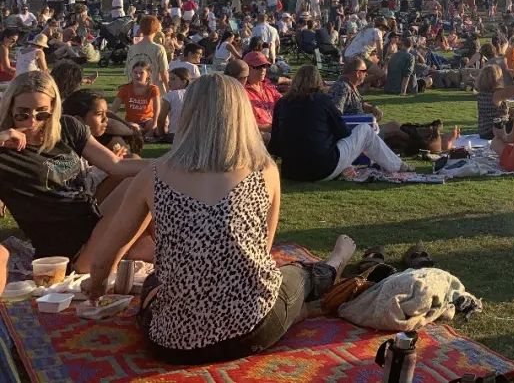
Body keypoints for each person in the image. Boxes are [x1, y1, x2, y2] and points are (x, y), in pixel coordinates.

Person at [86, 73, 356, 364]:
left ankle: (310, 294)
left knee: (155, 284)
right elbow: (261, 252)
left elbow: (106, 257)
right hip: (253, 329)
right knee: (296, 275)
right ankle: (331, 267)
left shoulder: (152, 176)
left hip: (171, 342)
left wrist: (97, 288)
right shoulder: (265, 171)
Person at [0, 71, 151, 265]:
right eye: (23, 113)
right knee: (149, 184)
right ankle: (96, 274)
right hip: (68, 249)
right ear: (10, 108)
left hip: (94, 221)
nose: (32, 121)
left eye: (42, 113)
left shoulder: (67, 128)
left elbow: (116, 165)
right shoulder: (5, 153)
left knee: (148, 178)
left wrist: (174, 164)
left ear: (53, 108)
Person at [270, 65, 407, 181]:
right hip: (323, 169)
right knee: (364, 130)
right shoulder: (322, 100)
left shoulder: (282, 103)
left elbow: (275, 143)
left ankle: (386, 164)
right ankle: (398, 166)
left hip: (292, 172)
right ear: (318, 81)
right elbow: (343, 132)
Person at [111, 60, 162, 136]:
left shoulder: (153, 89)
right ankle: (141, 133)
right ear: (131, 73)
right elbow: (113, 109)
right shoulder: (125, 89)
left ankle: (146, 133)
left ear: (148, 74)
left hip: (148, 121)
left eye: (141, 73)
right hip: (131, 122)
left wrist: (154, 125)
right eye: (135, 72)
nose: (137, 75)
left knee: (163, 123)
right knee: (134, 127)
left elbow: (157, 108)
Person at [475, 64, 514, 139]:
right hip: (495, 130)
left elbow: (492, 111)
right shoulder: (497, 94)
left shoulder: (481, 93)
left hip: (484, 131)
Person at [125, 16, 170, 97]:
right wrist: (168, 89)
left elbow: (128, 69)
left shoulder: (132, 48)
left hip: (135, 90)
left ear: (141, 29)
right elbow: (164, 72)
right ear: (157, 30)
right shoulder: (159, 49)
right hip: (153, 91)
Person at [238, 52, 281, 133]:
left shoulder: (267, 85)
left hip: (277, 131)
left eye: (265, 66)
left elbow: (283, 102)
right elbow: (243, 124)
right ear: (246, 68)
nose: (263, 70)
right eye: (258, 67)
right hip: (259, 136)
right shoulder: (241, 92)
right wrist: (271, 129)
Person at [160, 66, 191, 141]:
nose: (169, 82)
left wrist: (162, 134)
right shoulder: (194, 94)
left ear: (183, 81)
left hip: (175, 135)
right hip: (192, 135)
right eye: (169, 78)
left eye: (173, 79)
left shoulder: (170, 95)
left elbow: (161, 119)